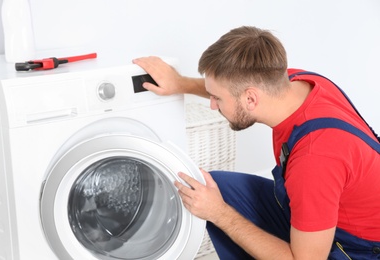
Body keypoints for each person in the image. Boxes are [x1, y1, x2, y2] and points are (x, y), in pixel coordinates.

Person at [133, 26, 380, 259]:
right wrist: (180, 84)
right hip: (336, 212)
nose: (212, 104)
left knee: (217, 206)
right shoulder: (295, 82)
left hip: (358, 249)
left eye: (217, 98)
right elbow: (233, 87)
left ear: (251, 98)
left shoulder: (314, 160)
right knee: (213, 188)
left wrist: (220, 214)